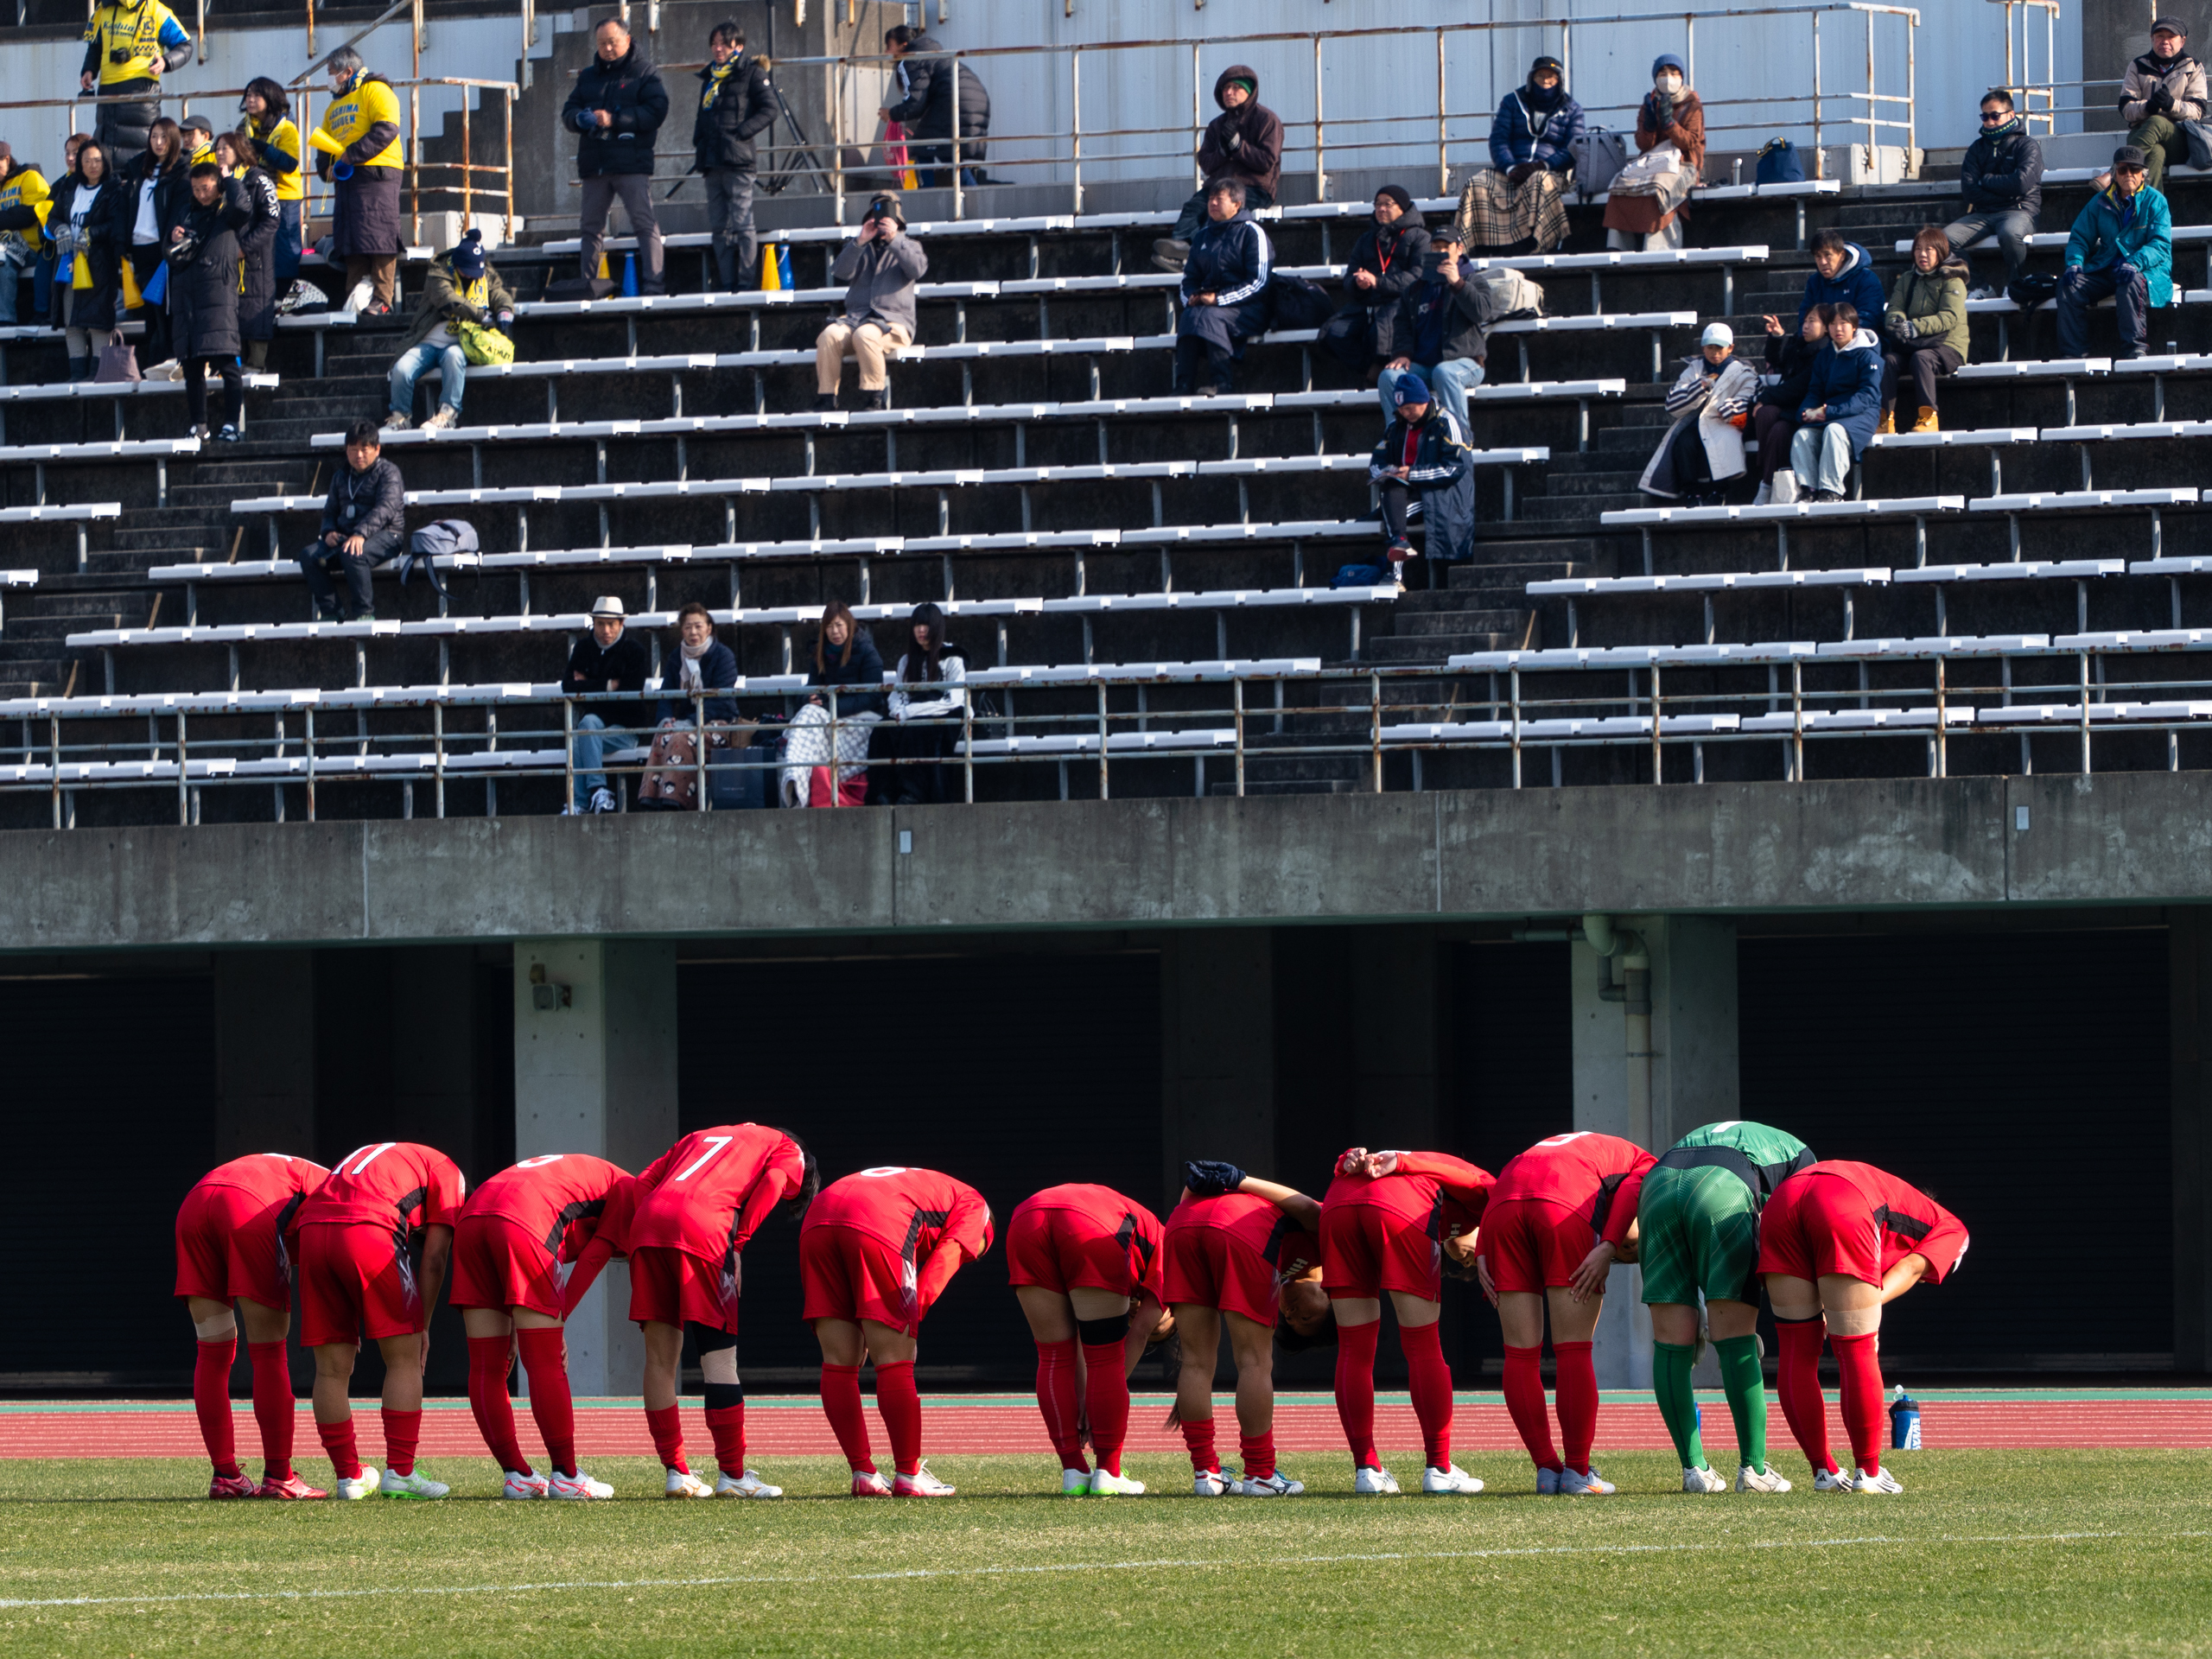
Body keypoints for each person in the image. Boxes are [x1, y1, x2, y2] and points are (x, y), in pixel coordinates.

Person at [622, 1124, 817, 1499]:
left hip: (648, 1222)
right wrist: (739, 1244)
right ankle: (733, 1475)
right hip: (703, 1226)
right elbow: (776, 1181)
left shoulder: (700, 1135)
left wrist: (654, 1223)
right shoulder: (787, 1147)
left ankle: (677, 1472)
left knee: (660, 1361)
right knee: (720, 1361)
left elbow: (642, 1182)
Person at [1759, 1160, 1968, 1494]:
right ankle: (1869, 1472)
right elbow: (1913, 1268)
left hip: (1783, 1201)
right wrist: (1861, 1307)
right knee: (1856, 1347)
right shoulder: (1951, 1227)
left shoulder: (1896, 1197)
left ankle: (1823, 1472)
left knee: (1797, 1347)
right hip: (1842, 1201)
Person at [1637, 1122, 1815, 1496]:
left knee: (1671, 1342)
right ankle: (1754, 1469)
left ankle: (1694, 1471)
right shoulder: (1805, 1159)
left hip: (1658, 1183)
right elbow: (1794, 1235)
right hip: (1723, 1185)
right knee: (1736, 1338)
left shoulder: (1735, 1134)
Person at [1474, 1130, 1654, 1496]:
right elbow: (1633, 1194)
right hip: (1563, 1206)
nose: (1628, 1254)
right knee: (1573, 1349)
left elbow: (1511, 1186)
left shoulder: (1585, 1146)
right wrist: (1608, 1245)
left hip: (1501, 1210)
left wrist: (1482, 1247)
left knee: (1519, 1354)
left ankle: (1546, 1469)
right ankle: (1577, 1472)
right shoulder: (1645, 1162)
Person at [801, 1165, 994, 1497]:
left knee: (838, 1360)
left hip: (819, 1215)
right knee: (894, 1357)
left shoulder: (928, 1185)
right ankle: (909, 1473)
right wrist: (910, 1317)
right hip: (880, 1220)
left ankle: (863, 1473)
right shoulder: (976, 1206)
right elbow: (947, 1258)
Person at [290, 1140, 466, 1499]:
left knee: (329, 1370)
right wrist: (425, 1326)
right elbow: (434, 1257)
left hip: (313, 1229)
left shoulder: (391, 1155)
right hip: (369, 1227)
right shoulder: (451, 1173)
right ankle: (401, 1473)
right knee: (404, 1357)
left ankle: (349, 1478)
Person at [450, 1153, 632, 1500]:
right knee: (545, 1360)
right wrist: (559, 1321)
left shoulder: (595, 1180)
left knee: (487, 1364)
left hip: (473, 1218)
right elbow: (595, 1256)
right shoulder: (634, 1191)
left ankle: (517, 1475)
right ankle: (567, 1475)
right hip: (524, 1218)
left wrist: (524, 1324)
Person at [1320, 1147, 1494, 1497]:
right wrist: (1402, 1162)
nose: (1465, 1259)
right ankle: (1440, 1467)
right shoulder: (1492, 1206)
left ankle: (1367, 1470)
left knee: (1354, 1347)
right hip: (1400, 1207)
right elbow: (1474, 1180)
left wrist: (1345, 1162)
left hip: (1339, 1200)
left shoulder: (1447, 1220)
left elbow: (1365, 1164)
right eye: (1472, 1260)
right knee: (1423, 1346)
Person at [1161, 1160, 1330, 1497]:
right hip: (1233, 1227)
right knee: (1254, 1362)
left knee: (1195, 1360)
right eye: (1308, 1318)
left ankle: (1206, 1474)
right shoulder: (1331, 1250)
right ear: (1333, 1299)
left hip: (1182, 1223)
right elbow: (1310, 1208)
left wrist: (1191, 1198)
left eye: (1293, 1321)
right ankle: (1260, 1472)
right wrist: (1241, 1180)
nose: (1293, 1313)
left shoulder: (1287, 1273)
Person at [174, 1152, 330, 1500]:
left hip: (196, 1201)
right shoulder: (340, 1188)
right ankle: (280, 1476)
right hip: (248, 1206)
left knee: (212, 1352)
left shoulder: (307, 1173)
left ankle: (225, 1475)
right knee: (269, 1352)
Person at [1006, 1182, 1170, 1496]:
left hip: (1027, 1217)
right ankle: (1109, 1471)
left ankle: (1073, 1471)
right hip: (1094, 1224)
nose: (1148, 1319)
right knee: (1106, 1357)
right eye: (1166, 1327)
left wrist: (1089, 1397)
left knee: (1053, 1354)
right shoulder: (1170, 1255)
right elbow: (1138, 1334)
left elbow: (1083, 1344)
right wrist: (1095, 1402)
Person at [567, 16, 669, 297]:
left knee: (644, 224)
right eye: (602, 44)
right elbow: (568, 112)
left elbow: (657, 111)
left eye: (612, 42)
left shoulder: (645, 72)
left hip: (631, 162)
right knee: (590, 229)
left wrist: (615, 119)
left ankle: (654, 287)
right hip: (595, 164)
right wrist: (580, 119)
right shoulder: (588, 76)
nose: (607, 49)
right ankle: (586, 288)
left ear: (627, 39)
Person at [1154, 67, 1282, 271]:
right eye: (1225, 88)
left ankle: (1202, 255)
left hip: (1254, 187)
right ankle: (1179, 247)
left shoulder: (1267, 120)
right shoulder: (1217, 125)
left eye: (1235, 88)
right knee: (1195, 206)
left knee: (1219, 209)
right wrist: (1222, 152)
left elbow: (1267, 161)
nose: (1229, 92)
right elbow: (1205, 162)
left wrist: (1239, 147)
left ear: (1249, 92)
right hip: (1219, 185)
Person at [385, 227, 513, 432]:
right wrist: (480, 315)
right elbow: (448, 299)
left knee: (454, 357)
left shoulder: (483, 270)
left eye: (476, 273)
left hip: (461, 343)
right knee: (401, 369)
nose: (473, 277)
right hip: (428, 341)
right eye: (468, 272)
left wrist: (505, 308)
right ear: (456, 264)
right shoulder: (438, 272)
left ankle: (447, 415)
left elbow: (497, 292)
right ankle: (400, 418)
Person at [1459, 57, 1582, 256]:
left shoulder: (1571, 108)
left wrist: (1541, 166)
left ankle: (1536, 245)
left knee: (1538, 181)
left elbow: (1573, 149)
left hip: (1548, 172)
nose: (1545, 81)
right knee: (1477, 183)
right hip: (1510, 170)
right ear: (1531, 78)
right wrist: (1510, 168)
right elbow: (1499, 140)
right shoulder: (1512, 102)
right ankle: (1476, 248)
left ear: (1559, 81)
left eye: (1551, 77)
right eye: (1540, 76)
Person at [313, 48, 403, 316]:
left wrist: (350, 155)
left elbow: (387, 128)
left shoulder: (375, 90)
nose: (329, 79)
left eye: (331, 73)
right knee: (351, 237)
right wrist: (325, 168)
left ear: (347, 72)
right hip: (347, 177)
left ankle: (382, 298)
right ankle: (355, 292)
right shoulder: (333, 106)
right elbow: (323, 145)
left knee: (380, 234)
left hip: (377, 172)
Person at [2059, 146, 2171, 362]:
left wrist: (2135, 263)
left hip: (2147, 271)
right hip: (2107, 268)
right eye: (2123, 169)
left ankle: (2135, 348)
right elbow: (2080, 237)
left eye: (2135, 169)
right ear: (2115, 173)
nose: (2129, 174)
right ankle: (2073, 353)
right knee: (2069, 285)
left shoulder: (2156, 201)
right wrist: (2075, 262)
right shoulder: (2099, 202)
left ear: (2142, 174)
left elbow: (2160, 244)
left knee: (2130, 282)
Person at [815, 192, 925, 411]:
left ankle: (875, 397)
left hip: (894, 323)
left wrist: (894, 239)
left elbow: (917, 269)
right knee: (828, 336)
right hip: (856, 319)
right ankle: (827, 399)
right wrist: (860, 240)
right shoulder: (860, 247)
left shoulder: (910, 246)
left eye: (887, 217)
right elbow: (840, 272)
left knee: (867, 334)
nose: (882, 222)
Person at [1367, 372, 1476, 591]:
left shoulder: (1447, 423)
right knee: (1391, 488)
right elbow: (1375, 462)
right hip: (1405, 492)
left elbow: (1455, 467)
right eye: (1402, 409)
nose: (1406, 414)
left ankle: (1394, 573)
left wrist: (1412, 474)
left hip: (1439, 495)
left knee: (1395, 516)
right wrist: (1390, 471)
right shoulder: (1395, 427)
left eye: (1411, 408)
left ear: (1424, 401)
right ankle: (1399, 546)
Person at [693, 21, 774, 292]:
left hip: (739, 161)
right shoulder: (709, 77)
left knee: (742, 224)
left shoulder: (752, 73)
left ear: (738, 46)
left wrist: (742, 132)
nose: (718, 49)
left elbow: (769, 109)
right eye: (714, 44)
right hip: (711, 161)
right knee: (718, 227)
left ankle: (746, 283)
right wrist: (699, 142)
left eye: (724, 44)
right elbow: (701, 116)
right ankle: (727, 283)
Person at [1173, 177, 1273, 396]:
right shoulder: (1202, 236)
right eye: (1210, 199)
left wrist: (1218, 299)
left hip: (1249, 308)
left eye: (1219, 199)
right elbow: (1189, 279)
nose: (1212, 204)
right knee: (1191, 316)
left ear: (1237, 205)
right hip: (1210, 305)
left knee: (1210, 316)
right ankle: (1183, 385)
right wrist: (1190, 298)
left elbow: (1259, 282)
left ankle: (1222, 383)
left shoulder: (1252, 233)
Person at [1639, 321, 1758, 505]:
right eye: (1710, 347)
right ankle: (1691, 492)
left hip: (1725, 423)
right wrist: (1699, 388)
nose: (1715, 352)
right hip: (1696, 422)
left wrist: (1729, 408)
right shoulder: (1693, 369)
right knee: (1683, 442)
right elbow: (1672, 403)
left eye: (1720, 348)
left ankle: (1719, 490)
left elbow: (1748, 396)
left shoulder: (1744, 372)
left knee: (1724, 439)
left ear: (1730, 348)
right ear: (1704, 348)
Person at [635, 601, 741, 810]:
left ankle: (677, 800)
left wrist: (689, 722)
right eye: (688, 627)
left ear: (709, 628)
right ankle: (651, 798)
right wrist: (665, 720)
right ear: (681, 630)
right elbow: (666, 694)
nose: (693, 632)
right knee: (663, 735)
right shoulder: (677, 657)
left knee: (681, 738)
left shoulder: (723, 656)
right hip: (687, 724)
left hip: (720, 723)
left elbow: (721, 701)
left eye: (698, 626)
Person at [782, 599, 885, 808]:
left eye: (839, 625)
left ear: (849, 626)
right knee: (809, 713)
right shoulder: (819, 653)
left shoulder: (867, 653)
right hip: (828, 715)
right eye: (829, 626)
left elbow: (873, 696)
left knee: (806, 721)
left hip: (863, 719)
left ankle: (795, 788)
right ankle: (796, 783)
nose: (834, 631)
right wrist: (809, 698)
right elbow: (812, 688)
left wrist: (834, 707)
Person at [299, 419, 404, 621]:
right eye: (353, 449)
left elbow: (386, 509)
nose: (359, 455)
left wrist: (360, 533)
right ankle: (332, 611)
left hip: (388, 535)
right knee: (308, 556)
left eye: (364, 449)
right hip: (347, 537)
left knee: (353, 553)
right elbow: (329, 511)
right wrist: (328, 532)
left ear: (377, 449)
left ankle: (364, 612)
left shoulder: (389, 473)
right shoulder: (340, 476)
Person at [1319, 187, 1430, 378]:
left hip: (1401, 302)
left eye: (1387, 204)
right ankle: (1371, 371)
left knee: (1378, 333)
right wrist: (1358, 283)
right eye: (1378, 205)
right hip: (1367, 303)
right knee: (1334, 333)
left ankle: (1388, 374)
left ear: (1402, 207)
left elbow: (1418, 277)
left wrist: (1378, 282)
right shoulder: (1367, 239)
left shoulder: (1420, 237)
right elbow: (1349, 278)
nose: (1381, 209)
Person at [168, 161, 243, 437]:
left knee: (227, 362)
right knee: (192, 367)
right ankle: (199, 424)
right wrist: (173, 238)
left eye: (207, 188)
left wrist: (229, 179)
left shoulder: (227, 212)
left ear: (218, 186)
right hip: (186, 298)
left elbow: (244, 207)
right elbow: (168, 253)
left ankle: (231, 423)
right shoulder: (185, 211)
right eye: (196, 188)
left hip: (217, 295)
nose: (201, 194)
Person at [1605, 54, 1703, 251]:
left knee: (1659, 189)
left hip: (1685, 166)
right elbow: (1643, 145)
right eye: (1663, 73)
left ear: (1682, 77)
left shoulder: (1692, 105)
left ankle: (1659, 248)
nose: (1668, 78)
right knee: (1619, 186)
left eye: (1674, 73)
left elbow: (1690, 143)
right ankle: (1618, 247)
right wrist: (1649, 125)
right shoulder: (1649, 104)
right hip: (1652, 163)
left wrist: (1669, 124)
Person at [1947, 89, 2042, 289]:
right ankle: (1980, 287)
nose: (1989, 122)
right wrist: (2003, 192)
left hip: (2019, 211)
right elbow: (1969, 191)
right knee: (1943, 240)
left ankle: (2015, 284)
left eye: (1995, 116)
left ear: (2011, 115)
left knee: (2009, 233)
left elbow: (2021, 183)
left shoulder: (2027, 146)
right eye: (1985, 116)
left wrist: (1987, 180)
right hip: (1984, 214)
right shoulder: (1977, 148)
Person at [79, 0, 191, 169]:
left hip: (142, 91)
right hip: (107, 91)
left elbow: (185, 45)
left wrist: (166, 62)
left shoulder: (156, 10)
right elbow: (95, 46)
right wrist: (89, 70)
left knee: (141, 149)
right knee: (106, 152)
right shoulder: (104, 9)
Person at [47, 138, 124, 384]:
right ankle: (77, 374)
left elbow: (115, 223)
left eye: (97, 160)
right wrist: (59, 229)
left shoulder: (113, 189)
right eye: (87, 161)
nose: (92, 166)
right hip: (69, 262)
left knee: (98, 321)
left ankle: (97, 373)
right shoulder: (69, 186)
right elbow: (53, 216)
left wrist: (91, 234)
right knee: (72, 322)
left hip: (99, 264)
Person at [1789, 302, 1881, 504]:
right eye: (1832, 324)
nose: (1838, 329)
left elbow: (1867, 396)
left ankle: (1832, 491)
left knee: (1834, 431)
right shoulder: (1825, 356)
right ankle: (1809, 488)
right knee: (1803, 435)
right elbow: (1815, 390)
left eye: (1844, 323)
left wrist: (1830, 412)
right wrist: (1806, 411)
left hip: (1861, 415)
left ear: (1854, 327)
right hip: (1830, 413)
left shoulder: (1868, 355)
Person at [564, 594, 649, 814]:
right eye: (600, 624)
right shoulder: (583, 649)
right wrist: (609, 686)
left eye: (611, 624)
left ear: (621, 623)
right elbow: (568, 687)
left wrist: (589, 684)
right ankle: (598, 791)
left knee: (581, 735)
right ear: (593, 623)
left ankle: (581, 802)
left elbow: (631, 690)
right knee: (587, 726)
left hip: (626, 728)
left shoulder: (634, 651)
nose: (606, 630)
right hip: (595, 725)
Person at [875, 601, 965, 805]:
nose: (921, 630)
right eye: (917, 625)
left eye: (926, 625)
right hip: (910, 712)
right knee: (881, 731)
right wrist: (899, 711)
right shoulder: (906, 661)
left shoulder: (952, 658)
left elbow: (953, 700)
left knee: (920, 730)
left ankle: (913, 793)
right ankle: (884, 792)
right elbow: (897, 694)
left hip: (944, 712)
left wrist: (910, 712)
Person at [1878, 229, 1968, 435]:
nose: (1923, 254)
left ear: (1941, 252)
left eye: (1929, 249)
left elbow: (1949, 317)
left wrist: (1914, 327)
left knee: (1922, 359)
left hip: (1948, 345)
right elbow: (1894, 308)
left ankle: (1929, 417)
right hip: (1914, 343)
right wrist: (1897, 322)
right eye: (1918, 249)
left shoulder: (1953, 280)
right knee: (1888, 360)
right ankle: (1885, 419)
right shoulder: (1907, 279)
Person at [880, 25, 990, 188]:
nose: (886, 52)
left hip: (954, 99)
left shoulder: (910, 59)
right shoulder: (932, 52)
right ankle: (975, 193)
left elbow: (915, 103)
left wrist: (892, 113)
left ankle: (927, 193)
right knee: (947, 151)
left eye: (889, 46)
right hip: (976, 99)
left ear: (903, 45)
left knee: (923, 145)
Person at [118, 118, 183, 374]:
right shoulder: (137, 169)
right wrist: (121, 243)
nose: (158, 143)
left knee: (164, 308)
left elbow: (178, 211)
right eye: (154, 136)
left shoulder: (180, 171)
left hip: (162, 249)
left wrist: (169, 244)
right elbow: (124, 209)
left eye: (164, 137)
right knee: (149, 311)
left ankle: (167, 358)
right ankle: (154, 362)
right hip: (139, 247)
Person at [213, 131, 279, 372]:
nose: (220, 153)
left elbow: (272, 219)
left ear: (240, 151)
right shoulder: (220, 181)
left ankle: (256, 364)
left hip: (255, 261)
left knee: (254, 311)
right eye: (217, 149)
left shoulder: (257, 178)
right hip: (227, 259)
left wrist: (246, 247)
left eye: (225, 148)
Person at [2121, 18, 2206, 193]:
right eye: (2159, 36)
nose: (2164, 41)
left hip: (2179, 140)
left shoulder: (2193, 67)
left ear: (2182, 41)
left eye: (2171, 37)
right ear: (2152, 39)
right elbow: (2126, 109)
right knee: (2156, 153)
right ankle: (2151, 213)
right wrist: (2149, 107)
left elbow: (2198, 111)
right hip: (2143, 136)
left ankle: (2118, 171)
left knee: (2157, 122)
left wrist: (2171, 105)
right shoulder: (2137, 66)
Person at [1751, 308, 1824, 505]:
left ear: (1826, 327)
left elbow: (1799, 386)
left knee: (1779, 430)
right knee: (1765, 414)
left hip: (1805, 409)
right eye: (1805, 321)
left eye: (1812, 321)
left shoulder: (1823, 353)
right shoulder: (1799, 346)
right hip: (1788, 406)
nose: (1806, 326)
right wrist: (1777, 337)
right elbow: (1777, 361)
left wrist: (1765, 397)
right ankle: (1768, 478)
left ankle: (1767, 483)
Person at [240, 78, 304, 289]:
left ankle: (284, 297)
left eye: (256, 95)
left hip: (284, 198)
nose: (250, 100)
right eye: (248, 95)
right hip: (255, 198)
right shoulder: (244, 127)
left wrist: (262, 148)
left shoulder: (287, 128)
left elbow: (289, 163)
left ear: (270, 99)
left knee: (285, 253)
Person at [0, 144, 54, 327]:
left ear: (6, 160)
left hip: (31, 248)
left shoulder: (29, 177)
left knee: (2, 259)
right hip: (6, 246)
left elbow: (31, 212)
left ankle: (5, 319)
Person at [1798, 227, 1886, 333]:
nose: (1823, 262)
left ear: (1842, 255)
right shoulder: (1814, 282)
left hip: (1860, 342)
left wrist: (1836, 338)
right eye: (1818, 256)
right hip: (1821, 341)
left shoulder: (1866, 278)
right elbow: (1804, 318)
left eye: (1828, 255)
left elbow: (1869, 318)